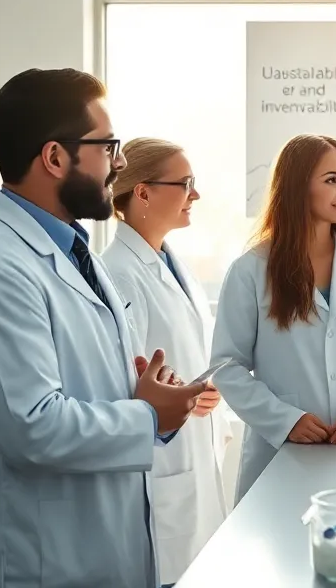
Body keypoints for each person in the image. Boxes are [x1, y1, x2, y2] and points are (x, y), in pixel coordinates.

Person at [0, 68, 209, 588]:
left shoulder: (75, 254)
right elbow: (32, 427)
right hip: (35, 566)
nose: (120, 162)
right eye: (108, 146)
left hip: (99, 555)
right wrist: (147, 415)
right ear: (55, 158)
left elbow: (86, 389)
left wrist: (145, 395)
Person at [209, 134, 336, 499]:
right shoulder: (251, 270)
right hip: (280, 458)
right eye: (331, 179)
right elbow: (227, 366)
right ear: (297, 186)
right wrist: (286, 420)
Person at [101, 138, 232, 587]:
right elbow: (123, 380)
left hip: (193, 454)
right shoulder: (117, 273)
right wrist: (174, 398)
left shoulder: (172, 262)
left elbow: (187, 352)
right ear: (143, 193)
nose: (195, 194)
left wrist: (204, 391)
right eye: (185, 184)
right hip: (162, 466)